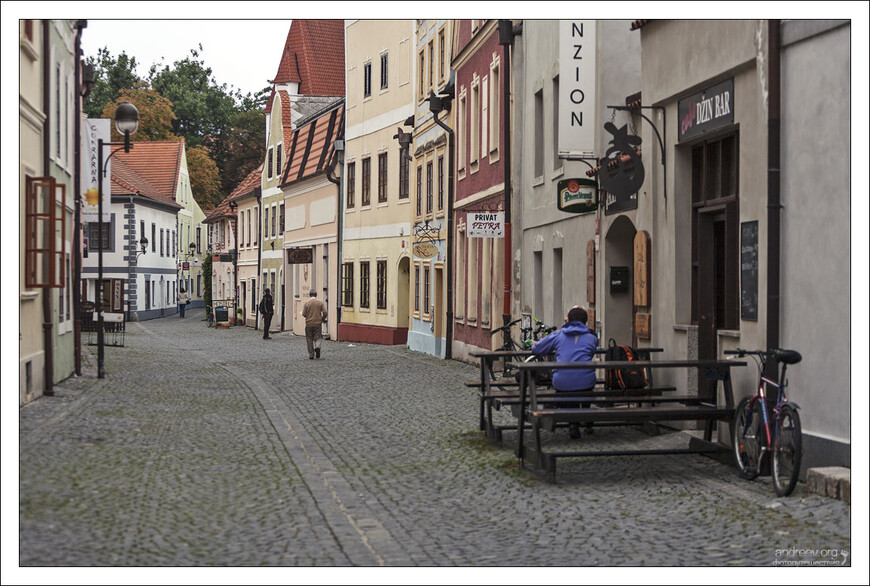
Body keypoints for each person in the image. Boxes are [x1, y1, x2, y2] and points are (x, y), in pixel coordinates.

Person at [531, 306, 598, 439]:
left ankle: (572, 422)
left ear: (568, 320)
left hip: (562, 382)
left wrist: (533, 344)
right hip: (586, 382)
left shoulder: (558, 335)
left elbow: (537, 349)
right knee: (584, 382)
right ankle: (586, 418)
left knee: (566, 383)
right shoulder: (592, 338)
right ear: (585, 321)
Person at [302, 288, 327, 359]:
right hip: (317, 323)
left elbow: (304, 314)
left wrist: (307, 316)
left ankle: (311, 355)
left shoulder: (307, 303)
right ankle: (317, 347)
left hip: (309, 323)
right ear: (316, 295)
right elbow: (325, 312)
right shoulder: (320, 303)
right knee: (318, 337)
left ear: (309, 295)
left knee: (309, 339)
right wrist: (322, 318)